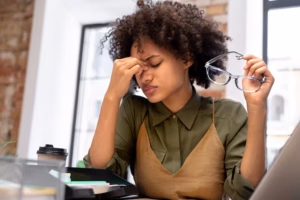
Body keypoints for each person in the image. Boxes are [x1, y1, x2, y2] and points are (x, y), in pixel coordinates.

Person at [84, 0, 275, 199]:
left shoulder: (228, 115)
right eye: (138, 69)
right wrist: (112, 96)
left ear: (186, 57)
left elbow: (246, 191)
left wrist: (256, 107)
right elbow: (97, 177)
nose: (145, 77)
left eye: (155, 63)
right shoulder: (134, 111)